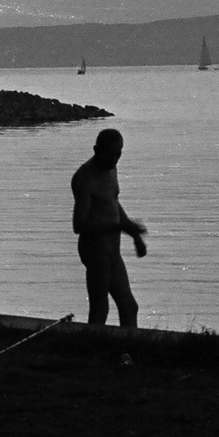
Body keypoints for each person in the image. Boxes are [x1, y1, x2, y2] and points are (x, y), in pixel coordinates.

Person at [70, 128, 148, 327]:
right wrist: (114, 226)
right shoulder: (86, 178)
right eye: (110, 153)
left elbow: (112, 203)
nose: (114, 159)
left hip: (113, 249)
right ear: (97, 150)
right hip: (95, 250)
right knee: (100, 307)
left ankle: (128, 351)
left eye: (118, 153)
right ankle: (94, 350)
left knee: (129, 306)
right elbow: (79, 224)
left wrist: (133, 232)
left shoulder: (111, 168)